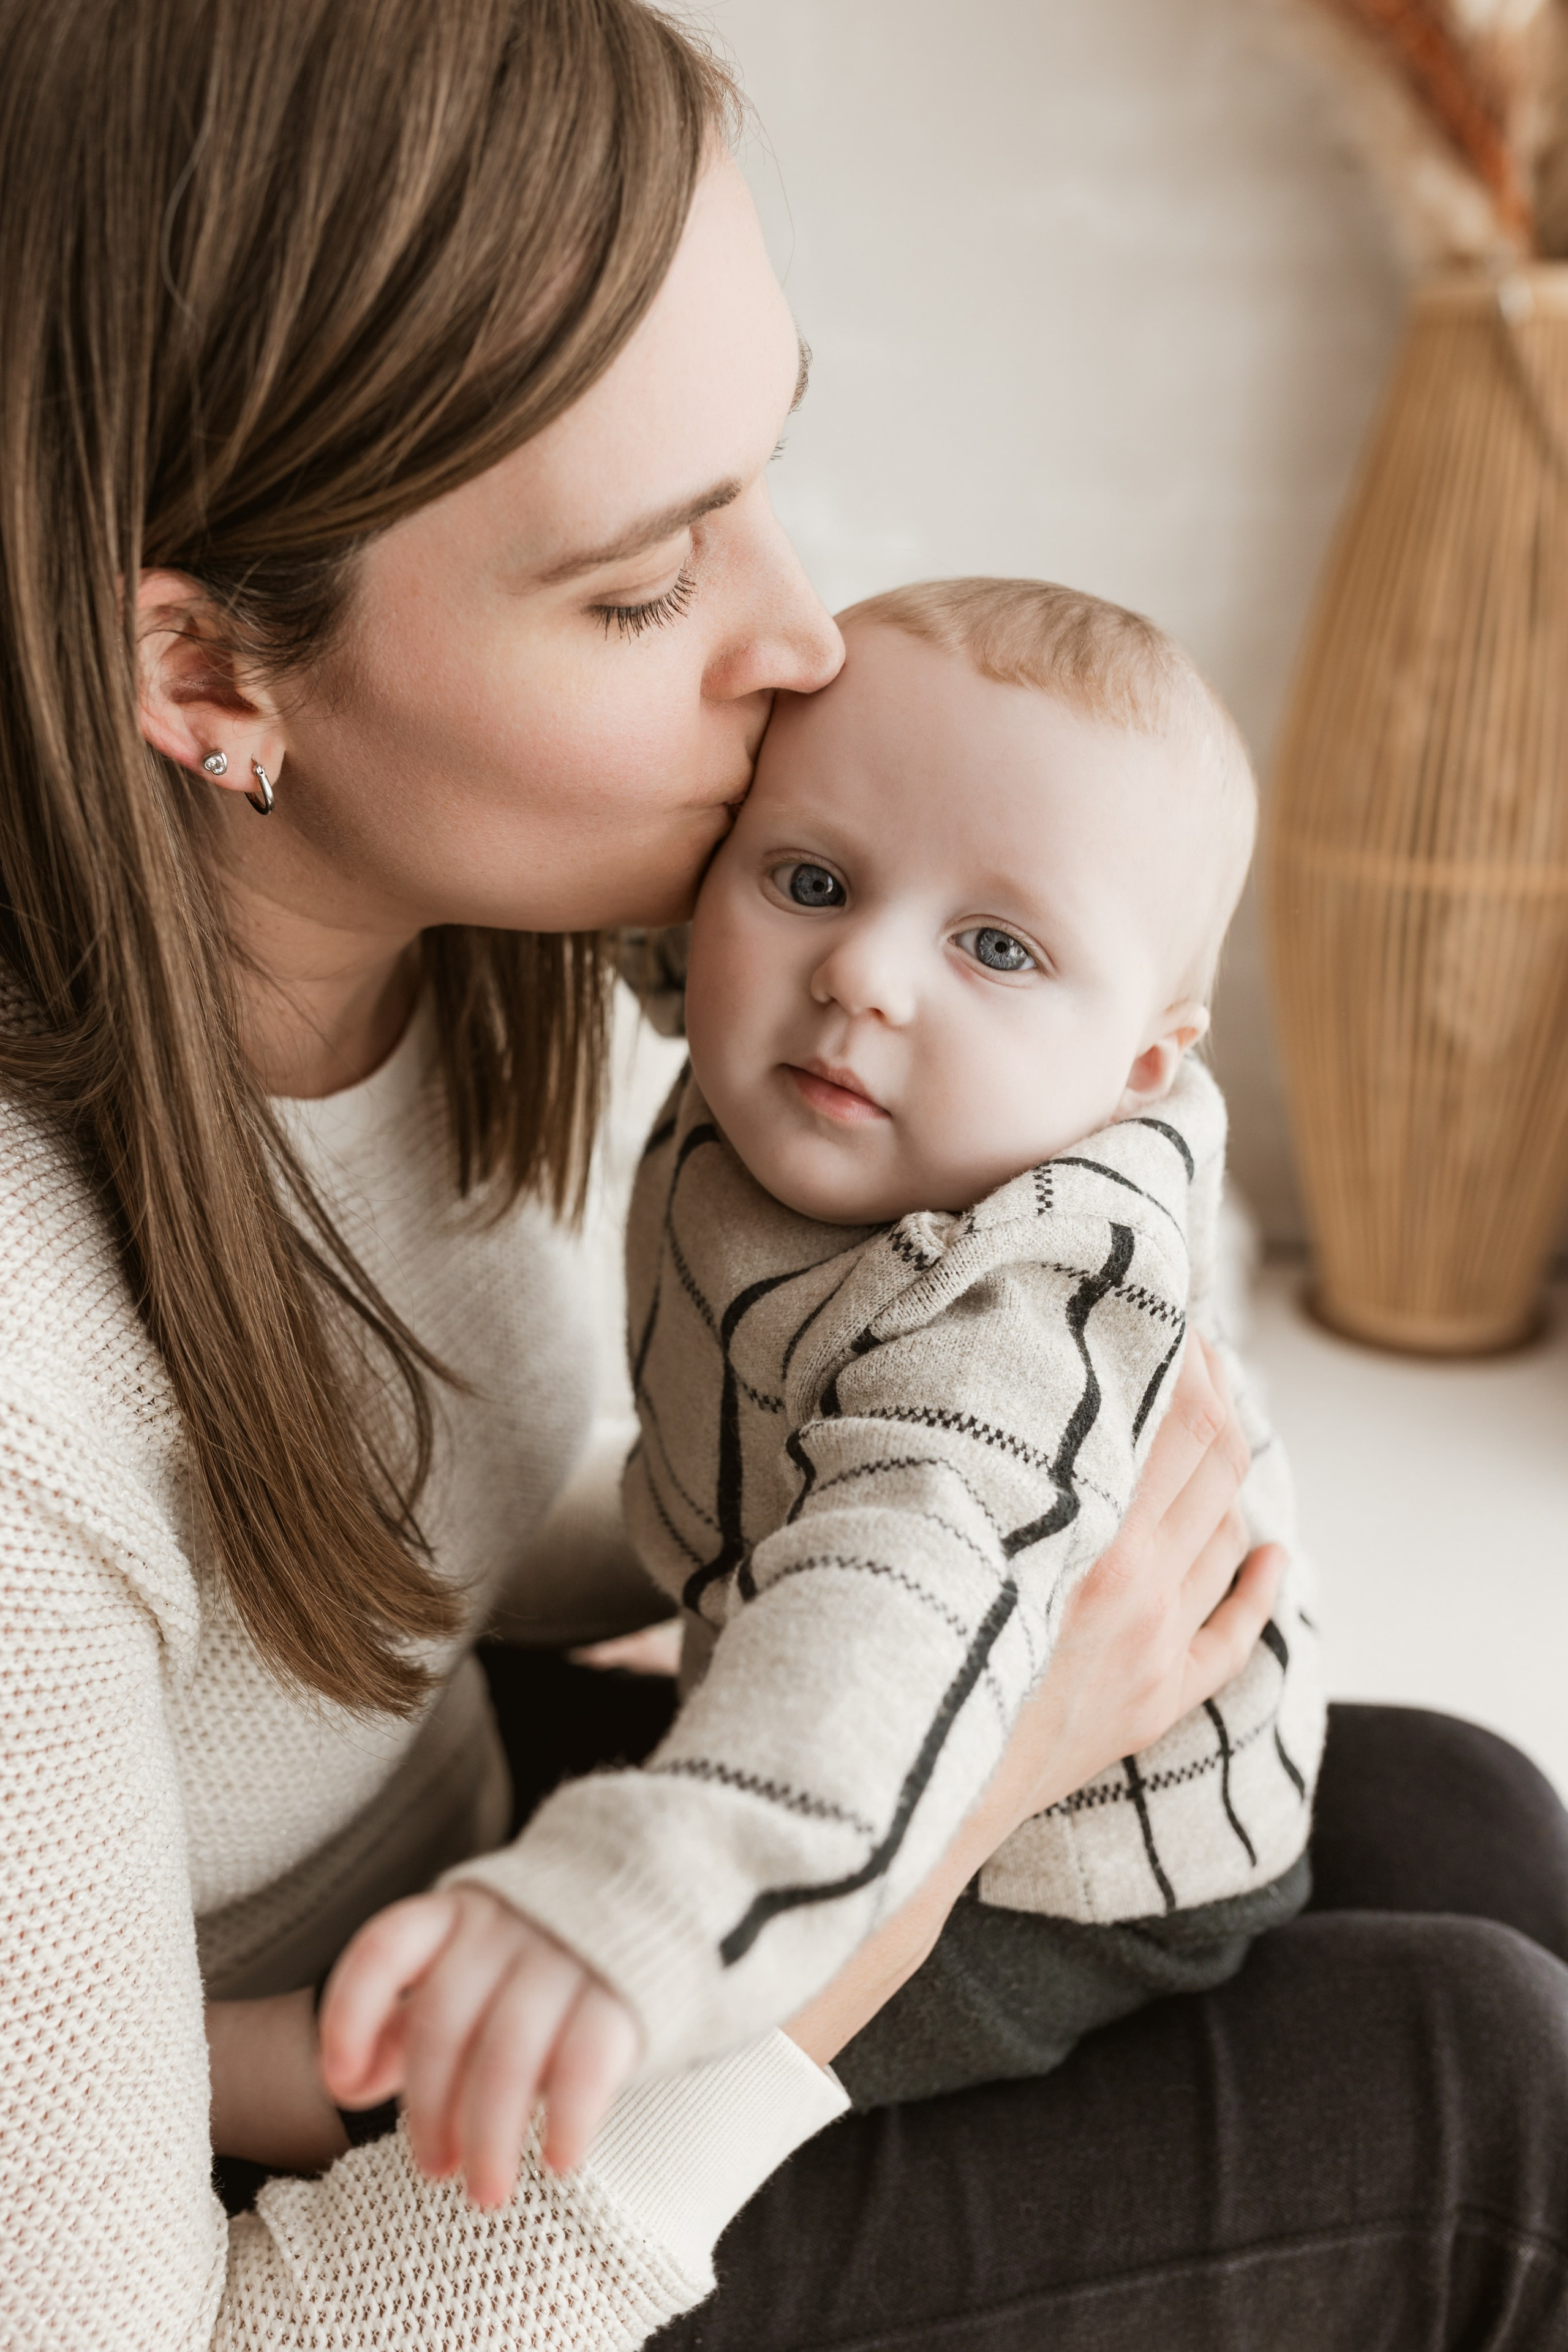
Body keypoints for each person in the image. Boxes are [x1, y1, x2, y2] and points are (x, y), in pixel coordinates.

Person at [0, 2, 1564, 2346]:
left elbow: (374, 1506)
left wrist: (868, 1545)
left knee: (1448, 1813)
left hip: (419, 1865)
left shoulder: (477, 948)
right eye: (644, 588)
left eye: (760, 471)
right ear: (211, 668)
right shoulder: (27, 1387)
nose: (802, 629)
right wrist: (940, 1809)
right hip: (314, 2254)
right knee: (1500, 2109)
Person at [320, 577, 1325, 2163]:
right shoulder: (803, 1027)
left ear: (1139, 1065)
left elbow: (891, 1604)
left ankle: (343, 2109)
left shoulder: (1027, 1287)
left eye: (996, 944)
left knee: (677, 2072)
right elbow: (601, 878)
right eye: (810, 875)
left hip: (1059, 1871)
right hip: (813, 1672)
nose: (865, 974)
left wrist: (623, 1909)